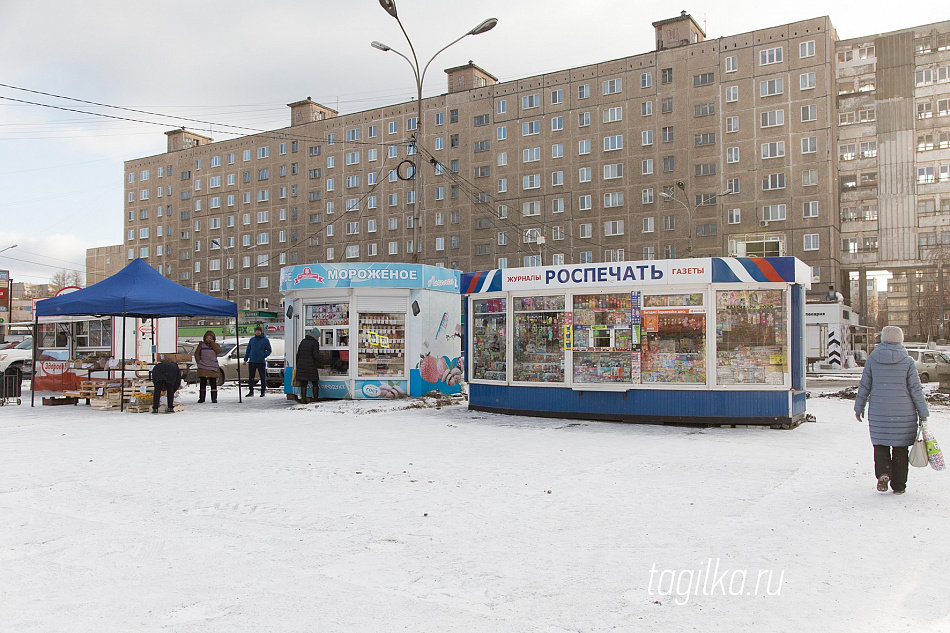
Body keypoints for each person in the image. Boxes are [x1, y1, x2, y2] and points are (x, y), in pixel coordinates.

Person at [854, 325, 929, 494]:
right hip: (904, 415)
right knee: (901, 449)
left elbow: (864, 385)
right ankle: (899, 485)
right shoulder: (908, 361)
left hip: (879, 413)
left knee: (880, 446)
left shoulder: (873, 359)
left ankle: (883, 472)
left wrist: (859, 407)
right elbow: (915, 390)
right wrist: (923, 414)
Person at [243, 325, 272, 398]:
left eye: (259, 330)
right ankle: (251, 391)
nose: (257, 332)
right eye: (256, 330)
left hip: (261, 361)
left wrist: (263, 355)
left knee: (262, 377)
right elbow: (248, 349)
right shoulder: (252, 340)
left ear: (261, 331)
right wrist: (245, 359)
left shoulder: (265, 340)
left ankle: (263, 392)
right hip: (252, 361)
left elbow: (269, 350)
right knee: (251, 377)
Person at [194, 330, 222, 403]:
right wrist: (199, 362)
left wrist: (212, 344)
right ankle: (202, 398)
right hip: (203, 366)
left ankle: (214, 398)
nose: (208, 339)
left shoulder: (216, 345)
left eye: (210, 338)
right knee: (203, 382)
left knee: (213, 383)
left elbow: (218, 351)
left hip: (213, 366)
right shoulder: (201, 345)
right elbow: (196, 353)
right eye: (207, 337)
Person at [295, 327, 321, 404]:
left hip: (301, 365)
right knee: (315, 382)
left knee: (304, 383)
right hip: (310, 366)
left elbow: (298, 354)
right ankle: (316, 399)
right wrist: (324, 361)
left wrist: (298, 365)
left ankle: (303, 400)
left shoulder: (303, 341)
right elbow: (315, 355)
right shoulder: (315, 343)